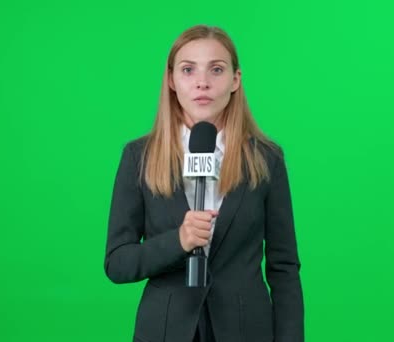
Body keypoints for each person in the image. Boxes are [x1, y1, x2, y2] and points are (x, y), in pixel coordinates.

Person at [104, 24, 304, 342]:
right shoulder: (137, 157)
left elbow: (284, 266)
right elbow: (117, 263)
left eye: (216, 69)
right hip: (166, 330)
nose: (202, 82)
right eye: (188, 70)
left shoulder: (267, 159)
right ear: (171, 80)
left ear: (235, 80)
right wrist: (178, 240)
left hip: (246, 330)